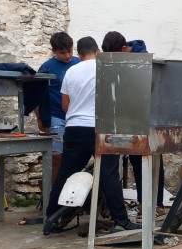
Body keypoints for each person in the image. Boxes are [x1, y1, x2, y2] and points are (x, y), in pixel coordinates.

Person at [45, 36, 138, 233]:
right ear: (98, 51)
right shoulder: (107, 68)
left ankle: (52, 218)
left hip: (75, 128)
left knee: (66, 172)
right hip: (102, 128)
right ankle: (121, 221)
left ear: (79, 54)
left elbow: (65, 106)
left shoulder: (71, 71)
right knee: (108, 174)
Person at [101, 32, 166, 215]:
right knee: (137, 162)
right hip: (127, 118)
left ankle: (156, 204)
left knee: (151, 161)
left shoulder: (144, 61)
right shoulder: (123, 58)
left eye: (116, 56)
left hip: (146, 118)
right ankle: (144, 203)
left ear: (124, 48)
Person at [37, 32, 79, 156]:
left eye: (70, 51)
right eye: (63, 53)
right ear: (54, 51)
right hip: (56, 117)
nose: (67, 56)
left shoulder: (79, 63)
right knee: (56, 155)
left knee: (75, 155)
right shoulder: (46, 68)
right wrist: (40, 119)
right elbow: (38, 96)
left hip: (77, 116)